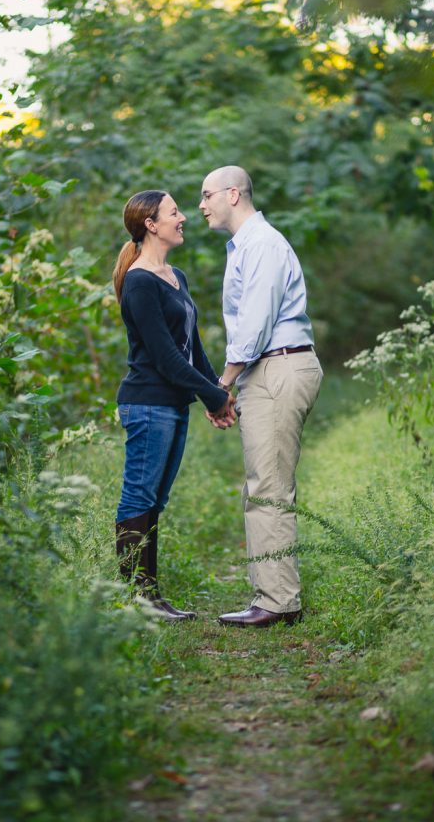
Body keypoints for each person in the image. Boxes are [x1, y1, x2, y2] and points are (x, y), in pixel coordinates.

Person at [199, 166, 323, 628]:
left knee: (268, 487)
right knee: (263, 484)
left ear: (233, 194)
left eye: (207, 195)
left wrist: (222, 385)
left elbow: (254, 324)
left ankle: (277, 602)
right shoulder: (246, 246)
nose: (201, 205)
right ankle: (272, 594)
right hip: (267, 367)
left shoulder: (263, 244)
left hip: (277, 365)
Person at [112, 189, 235, 622]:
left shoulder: (174, 275)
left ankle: (151, 598)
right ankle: (137, 600)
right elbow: (164, 357)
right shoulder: (140, 281)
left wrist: (215, 389)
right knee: (139, 498)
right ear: (151, 224)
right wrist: (214, 396)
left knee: (154, 501)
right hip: (147, 403)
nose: (183, 217)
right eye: (174, 212)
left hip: (172, 404)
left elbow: (191, 348)